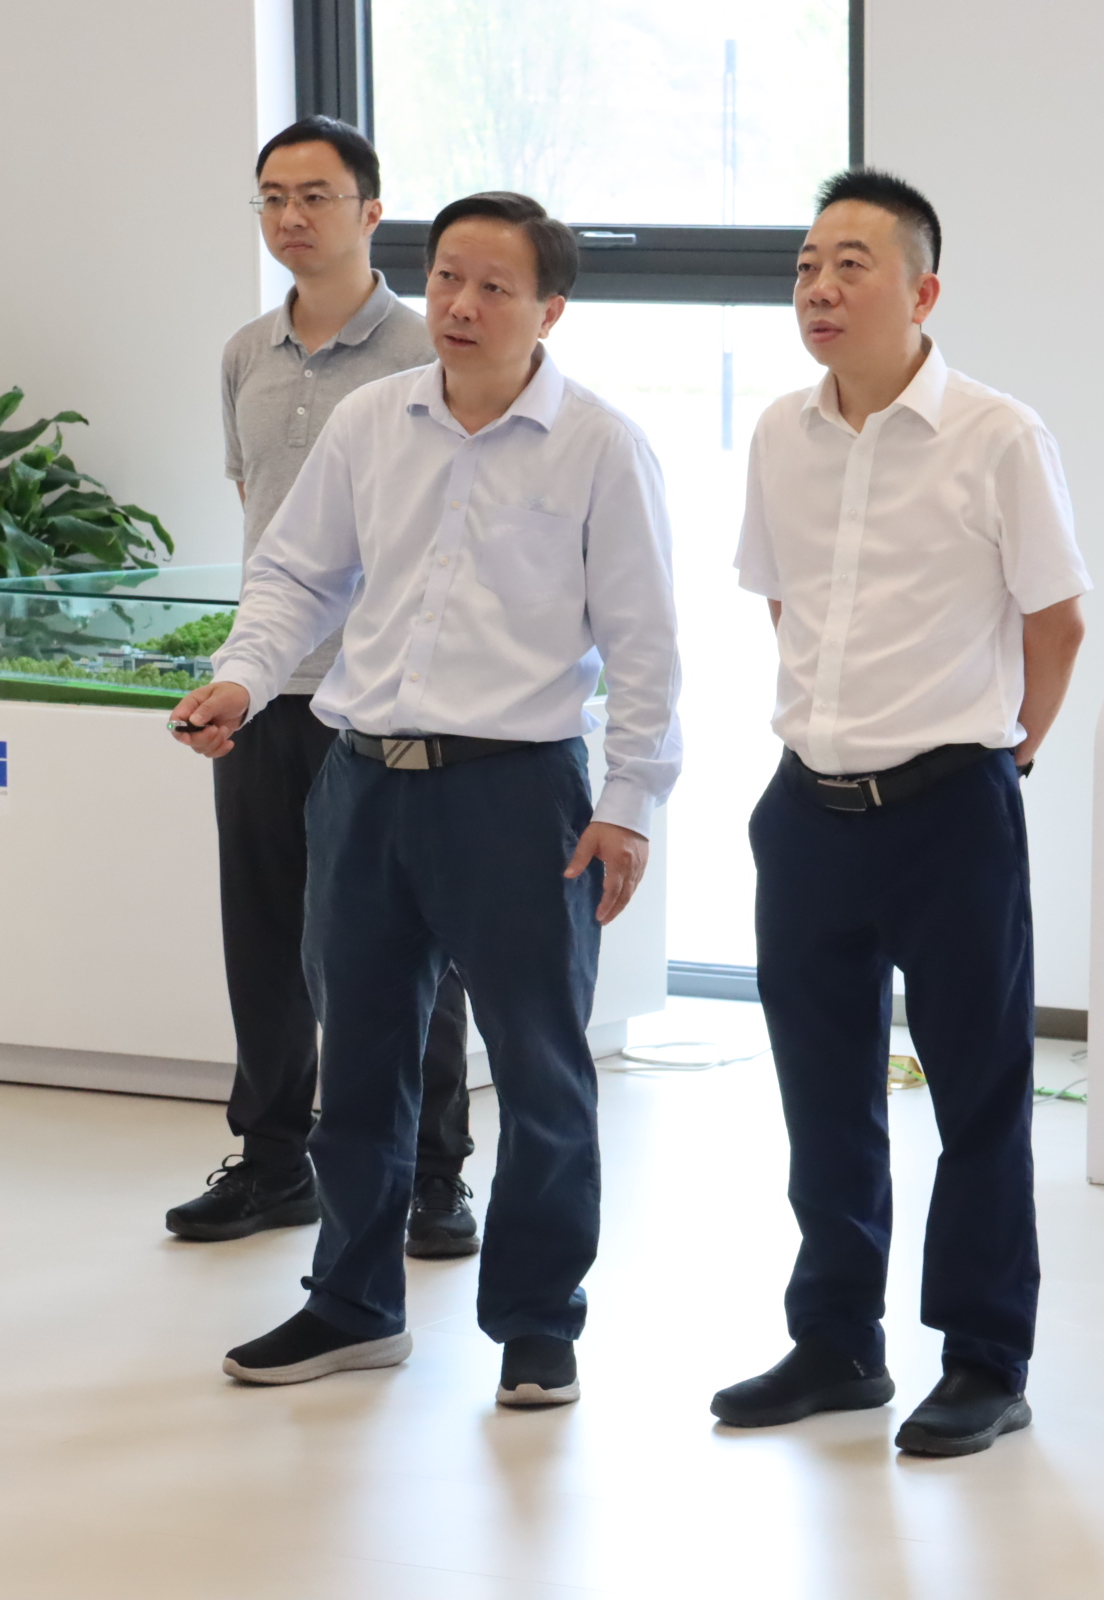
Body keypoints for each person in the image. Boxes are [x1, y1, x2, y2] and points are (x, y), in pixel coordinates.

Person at [167, 190, 683, 1408]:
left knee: (541, 1072)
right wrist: (243, 679)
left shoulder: (601, 444)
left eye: (495, 286)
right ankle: (353, 1303)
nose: (460, 303)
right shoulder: (372, 421)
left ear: (551, 310)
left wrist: (628, 803)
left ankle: (538, 1324)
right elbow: (296, 576)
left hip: (517, 796)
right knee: (360, 1062)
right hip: (362, 784)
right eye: (448, 276)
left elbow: (646, 644)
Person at [708, 169, 1090, 1458]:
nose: (819, 288)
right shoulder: (780, 433)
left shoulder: (998, 435)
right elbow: (784, 601)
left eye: (850, 265)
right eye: (807, 265)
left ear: (923, 293)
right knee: (823, 1093)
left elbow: (1057, 619)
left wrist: (1011, 753)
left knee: (979, 1097)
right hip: (807, 810)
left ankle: (984, 1358)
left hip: (950, 810)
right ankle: (836, 1343)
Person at [164, 115, 481, 1261]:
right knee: (264, 934)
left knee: (411, 943)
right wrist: (245, 668)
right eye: (272, 197)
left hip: (388, 695)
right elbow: (263, 511)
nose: (290, 217)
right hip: (266, 690)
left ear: (370, 211)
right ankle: (272, 1161)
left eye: (315, 195)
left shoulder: (428, 349)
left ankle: (434, 1174)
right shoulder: (245, 353)